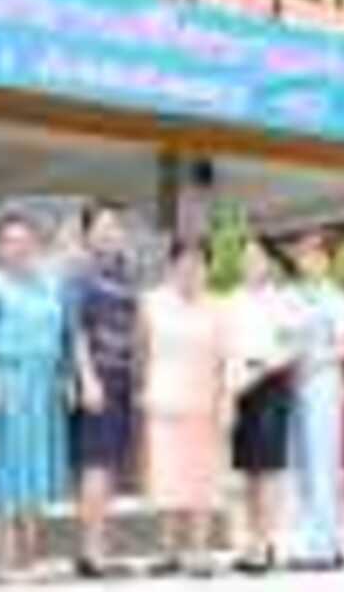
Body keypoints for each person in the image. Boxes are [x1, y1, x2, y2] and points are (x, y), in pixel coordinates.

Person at [0, 210, 71, 581]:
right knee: (1, 468)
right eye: (11, 241)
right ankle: (0, 557)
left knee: (36, 468)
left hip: (43, 387)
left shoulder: (50, 286)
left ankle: (30, 555)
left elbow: (62, 337)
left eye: (26, 241)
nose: (19, 247)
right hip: (6, 382)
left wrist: (65, 378)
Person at [139, 239, 225, 578]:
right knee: (167, 477)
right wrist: (142, 390)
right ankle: (168, 550)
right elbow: (142, 351)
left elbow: (226, 358)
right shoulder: (152, 302)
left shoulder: (217, 307)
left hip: (205, 401)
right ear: (172, 265)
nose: (191, 269)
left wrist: (227, 399)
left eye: (199, 262)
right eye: (184, 261)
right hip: (164, 400)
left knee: (201, 479)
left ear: (207, 268)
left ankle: (199, 550)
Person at [68, 201, 138, 578]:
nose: (110, 233)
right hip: (97, 378)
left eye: (115, 226)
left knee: (109, 465)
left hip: (123, 377)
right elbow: (76, 330)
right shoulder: (80, 273)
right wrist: (87, 378)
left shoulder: (125, 272)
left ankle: (100, 545)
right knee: (94, 464)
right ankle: (90, 550)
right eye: (102, 226)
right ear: (87, 233)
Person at [224, 236, 298, 574]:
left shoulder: (282, 300)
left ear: (269, 263)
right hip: (239, 386)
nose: (250, 263)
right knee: (248, 470)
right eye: (245, 257)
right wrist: (231, 389)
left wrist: (260, 370)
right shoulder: (232, 300)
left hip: (269, 384)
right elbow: (227, 348)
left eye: (256, 257)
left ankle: (265, 544)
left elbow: (290, 348)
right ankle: (251, 540)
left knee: (267, 469)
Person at [287, 231, 344, 571]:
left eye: (316, 255)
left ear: (327, 261)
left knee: (323, 464)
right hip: (295, 384)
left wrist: (313, 362)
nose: (308, 261)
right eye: (303, 255)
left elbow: (343, 346)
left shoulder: (336, 298)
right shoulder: (291, 296)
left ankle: (325, 547)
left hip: (323, 382)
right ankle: (309, 541)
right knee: (302, 464)